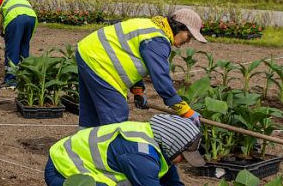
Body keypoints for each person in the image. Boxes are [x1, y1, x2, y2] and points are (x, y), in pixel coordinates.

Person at [45, 114, 206, 186]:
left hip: (82, 171)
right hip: (62, 171)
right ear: (172, 146)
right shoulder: (141, 155)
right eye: (183, 156)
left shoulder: (159, 146)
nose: (183, 161)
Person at [74, 7, 209, 128]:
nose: (188, 41)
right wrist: (184, 110)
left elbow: (128, 55)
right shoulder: (157, 40)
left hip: (88, 52)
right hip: (99, 62)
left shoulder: (151, 27)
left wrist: (138, 90)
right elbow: (160, 78)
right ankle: (110, 152)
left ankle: (82, 150)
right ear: (180, 27)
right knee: (117, 114)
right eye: (189, 36)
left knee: (91, 114)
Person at [0, 0, 37, 89]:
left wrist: (1, 28)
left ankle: (11, 81)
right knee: (24, 48)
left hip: (16, 18)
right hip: (31, 17)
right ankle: (25, 78)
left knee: (12, 50)